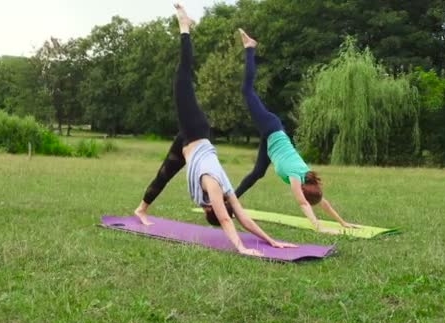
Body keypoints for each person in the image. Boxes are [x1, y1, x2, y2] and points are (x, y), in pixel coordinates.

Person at [137, 4, 296, 255]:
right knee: (182, 77)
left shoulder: (225, 190)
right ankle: (184, 26)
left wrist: (271, 240)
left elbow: (241, 217)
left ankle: (141, 209)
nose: (204, 208)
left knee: (164, 174)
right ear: (210, 207)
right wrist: (242, 248)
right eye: (206, 210)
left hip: (188, 143)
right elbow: (227, 220)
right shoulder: (212, 185)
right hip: (196, 131)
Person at [235, 29, 358, 234]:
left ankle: (229, 201)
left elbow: (321, 201)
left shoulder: (307, 177)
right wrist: (318, 227)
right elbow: (303, 203)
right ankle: (250, 48)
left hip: (272, 140)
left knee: (257, 173)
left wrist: (343, 223)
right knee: (246, 90)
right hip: (271, 128)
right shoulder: (296, 176)